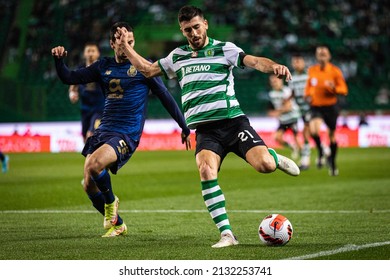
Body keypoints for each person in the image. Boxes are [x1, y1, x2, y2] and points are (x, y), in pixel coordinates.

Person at [115, 5, 300, 248]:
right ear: (182, 31)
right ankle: (227, 234)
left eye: (196, 27)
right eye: (187, 30)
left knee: (264, 166)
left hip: (233, 123)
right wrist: (127, 47)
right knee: (205, 170)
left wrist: (274, 66)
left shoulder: (225, 48)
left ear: (205, 25)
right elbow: (149, 70)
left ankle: (273, 157)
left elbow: (253, 61)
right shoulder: (178, 56)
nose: (193, 33)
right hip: (206, 130)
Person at [51, 22, 191, 238]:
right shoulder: (102, 66)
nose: (126, 46)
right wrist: (58, 60)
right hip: (105, 129)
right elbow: (69, 78)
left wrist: (183, 125)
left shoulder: (145, 67)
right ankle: (119, 224)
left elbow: (165, 96)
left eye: (131, 42)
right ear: (111, 44)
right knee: (88, 184)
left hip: (127, 132)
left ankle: (110, 204)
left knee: (94, 164)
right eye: (122, 42)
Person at [305, 45, 348, 176]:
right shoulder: (312, 70)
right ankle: (321, 151)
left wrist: (334, 88)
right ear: (316, 56)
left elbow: (344, 90)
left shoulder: (335, 71)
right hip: (316, 106)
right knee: (313, 130)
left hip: (330, 107)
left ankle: (333, 163)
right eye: (320, 53)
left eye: (324, 53)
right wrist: (307, 94)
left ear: (329, 56)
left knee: (332, 136)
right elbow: (309, 85)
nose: (322, 55)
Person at [68, 43, 105, 142]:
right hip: (85, 107)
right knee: (85, 137)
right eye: (88, 51)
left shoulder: (103, 68)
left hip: (100, 108)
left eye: (93, 51)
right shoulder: (80, 69)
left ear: (98, 53)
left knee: (91, 134)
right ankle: (91, 156)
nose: (91, 54)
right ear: (84, 54)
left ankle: (95, 156)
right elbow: (73, 86)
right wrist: (72, 94)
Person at [267, 74, 301, 159]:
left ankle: (303, 156)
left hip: (292, 117)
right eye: (272, 82)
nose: (274, 83)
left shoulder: (286, 91)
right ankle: (292, 147)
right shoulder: (272, 94)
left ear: (280, 81)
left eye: (276, 81)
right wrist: (278, 112)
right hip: (283, 119)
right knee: (277, 137)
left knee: (297, 138)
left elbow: (288, 107)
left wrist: (277, 112)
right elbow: (271, 111)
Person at [288, 54, 311, 169]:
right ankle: (324, 150)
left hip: (311, 108)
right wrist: (287, 102)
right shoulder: (291, 77)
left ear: (303, 63)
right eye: (295, 62)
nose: (296, 64)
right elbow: (291, 93)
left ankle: (305, 160)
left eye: (298, 62)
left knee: (306, 132)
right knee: (310, 133)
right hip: (300, 109)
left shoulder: (310, 75)